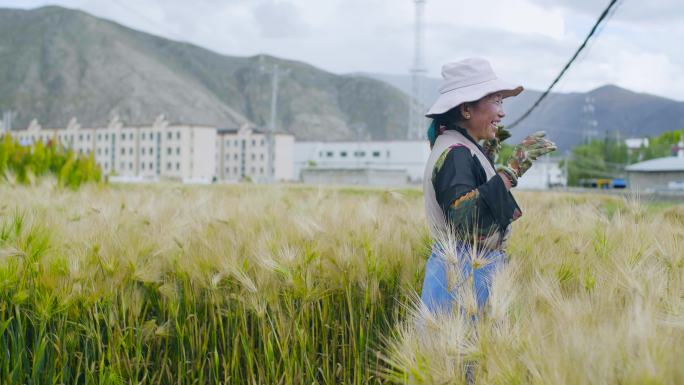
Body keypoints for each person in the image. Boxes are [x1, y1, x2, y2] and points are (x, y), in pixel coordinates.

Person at [420, 58, 556, 316]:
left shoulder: (458, 147)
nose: (502, 113)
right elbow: (466, 219)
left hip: (464, 272)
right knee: (458, 354)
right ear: (466, 109)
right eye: (496, 101)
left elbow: (468, 192)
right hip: (463, 276)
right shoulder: (456, 153)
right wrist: (512, 170)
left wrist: (488, 157)